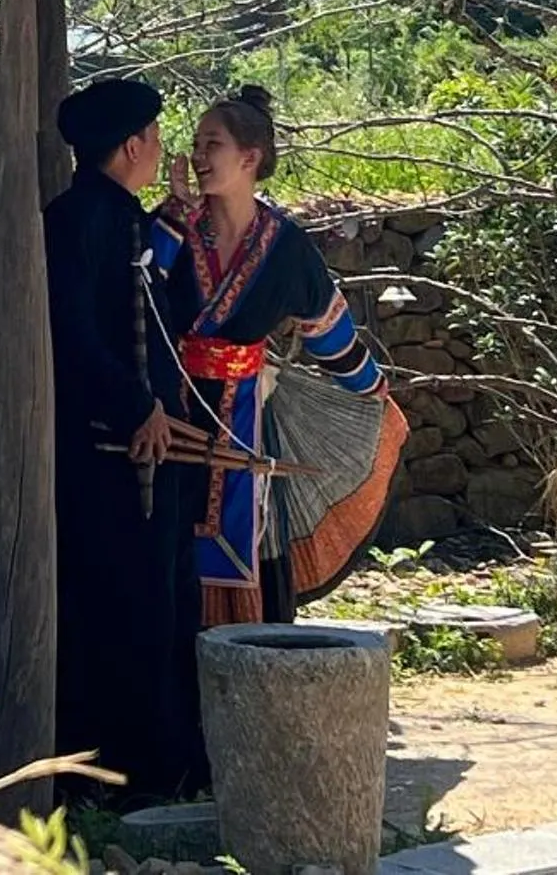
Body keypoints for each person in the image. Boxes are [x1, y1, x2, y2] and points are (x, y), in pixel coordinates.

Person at [146, 87, 387, 645]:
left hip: (242, 416)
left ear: (250, 158)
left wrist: (371, 388)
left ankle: (241, 670)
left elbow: (327, 328)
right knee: (164, 533)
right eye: (196, 143)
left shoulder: (286, 247)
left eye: (214, 144)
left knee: (239, 532)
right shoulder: (177, 228)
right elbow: (138, 290)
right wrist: (174, 216)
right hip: (166, 409)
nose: (199, 156)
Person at [43, 75, 195, 804]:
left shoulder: (100, 219)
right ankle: (136, 771)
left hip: (128, 441)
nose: (159, 149)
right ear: (132, 145)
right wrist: (139, 406)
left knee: (129, 600)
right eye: (156, 139)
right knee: (132, 605)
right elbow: (74, 335)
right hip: (116, 448)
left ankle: (119, 765)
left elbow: (162, 316)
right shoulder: (89, 225)